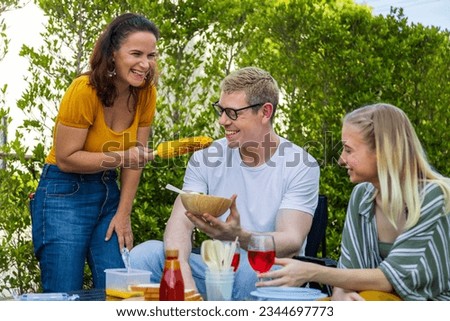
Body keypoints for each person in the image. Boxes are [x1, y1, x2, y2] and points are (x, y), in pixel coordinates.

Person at [130, 66, 320, 300]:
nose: (222, 121)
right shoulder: (206, 156)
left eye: (232, 113)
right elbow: (180, 220)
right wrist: (182, 272)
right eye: (220, 110)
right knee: (144, 255)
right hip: (217, 267)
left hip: (266, 272)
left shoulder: (300, 164)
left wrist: (238, 236)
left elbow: (291, 240)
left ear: (265, 112)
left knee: (253, 272)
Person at [258, 103, 450, 300]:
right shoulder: (362, 197)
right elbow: (347, 271)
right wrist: (342, 296)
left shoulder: (433, 197)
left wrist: (312, 271)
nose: (341, 159)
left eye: (349, 150)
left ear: (383, 152)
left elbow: (392, 278)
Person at [30, 13, 160, 292]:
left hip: (107, 193)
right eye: (136, 53)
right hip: (63, 193)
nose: (145, 64)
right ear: (113, 54)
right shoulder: (84, 90)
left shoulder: (146, 94)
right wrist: (124, 157)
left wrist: (124, 213)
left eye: (151, 55)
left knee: (117, 288)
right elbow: (66, 158)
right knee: (64, 292)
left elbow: (135, 161)